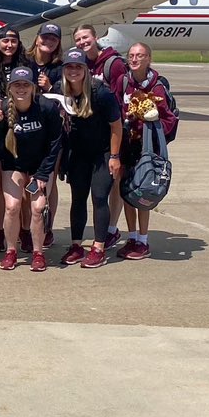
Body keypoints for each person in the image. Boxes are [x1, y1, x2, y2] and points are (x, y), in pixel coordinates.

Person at [0, 67, 62, 272]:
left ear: (33, 87)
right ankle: (11, 251)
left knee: (37, 208)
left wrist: (44, 173)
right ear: (10, 88)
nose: (21, 89)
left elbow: (55, 142)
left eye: (25, 85)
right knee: (12, 207)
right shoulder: (1, 107)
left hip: (40, 165)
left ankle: (38, 253)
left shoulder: (46, 107)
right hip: (14, 164)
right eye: (17, 85)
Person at [57, 48, 123, 269]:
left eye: (78, 66)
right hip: (78, 153)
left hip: (102, 152)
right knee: (78, 198)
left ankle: (98, 248)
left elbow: (116, 126)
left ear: (85, 69)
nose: (73, 70)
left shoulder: (100, 92)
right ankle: (76, 245)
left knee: (99, 196)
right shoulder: (60, 90)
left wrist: (114, 156)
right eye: (69, 67)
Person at [116, 43, 178, 260]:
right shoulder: (124, 82)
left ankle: (143, 240)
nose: (134, 59)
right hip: (126, 145)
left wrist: (150, 121)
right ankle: (131, 237)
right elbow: (117, 109)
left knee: (143, 191)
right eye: (131, 55)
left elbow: (170, 120)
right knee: (127, 191)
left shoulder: (158, 86)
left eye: (139, 56)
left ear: (148, 59)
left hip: (147, 149)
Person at [72, 24, 128, 248]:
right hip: (87, 137)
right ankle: (109, 230)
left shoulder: (112, 64)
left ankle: (111, 228)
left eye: (86, 37)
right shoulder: (79, 65)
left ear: (96, 37)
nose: (83, 42)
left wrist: (117, 146)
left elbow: (120, 99)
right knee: (97, 189)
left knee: (109, 186)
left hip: (111, 133)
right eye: (78, 39)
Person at [0, 26, 29, 253]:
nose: (9, 45)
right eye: (5, 41)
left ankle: (25, 229)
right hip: (1, 129)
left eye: (13, 41)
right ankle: (1, 230)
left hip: (25, 129)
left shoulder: (26, 66)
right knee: (1, 182)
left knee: (25, 181)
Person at [26, 22, 64, 246]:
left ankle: (46, 227)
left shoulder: (59, 67)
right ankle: (27, 228)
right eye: (45, 37)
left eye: (53, 38)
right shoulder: (25, 63)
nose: (48, 41)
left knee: (48, 181)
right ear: (37, 38)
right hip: (27, 130)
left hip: (51, 130)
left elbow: (67, 96)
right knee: (25, 183)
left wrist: (50, 88)